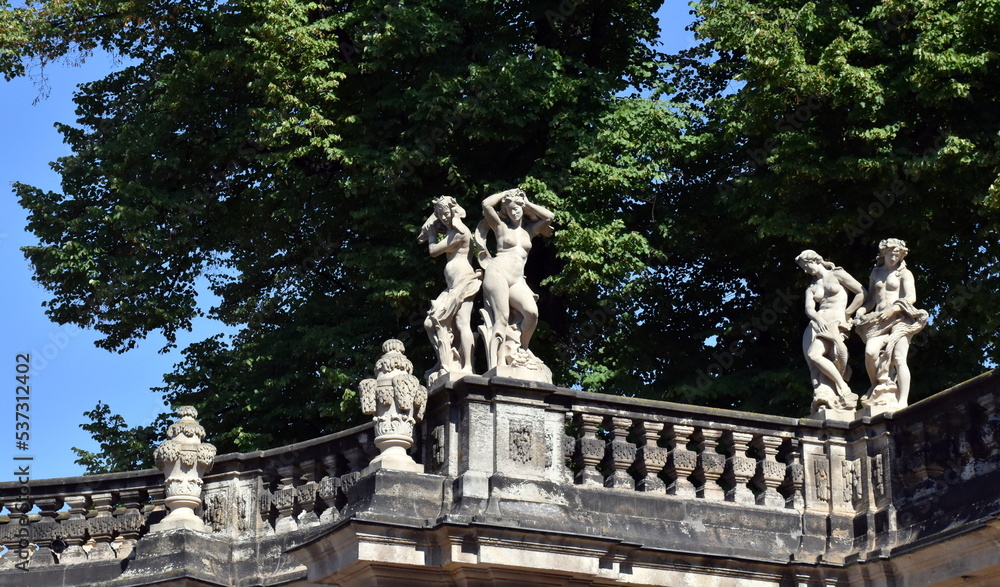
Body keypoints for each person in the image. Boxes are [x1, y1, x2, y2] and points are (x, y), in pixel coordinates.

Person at [476, 188, 554, 375]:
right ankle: (498, 363)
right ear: (506, 211)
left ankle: (523, 349)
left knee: (532, 313)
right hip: (498, 273)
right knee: (501, 318)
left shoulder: (530, 231)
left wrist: (525, 202)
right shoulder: (500, 227)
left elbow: (549, 216)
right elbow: (486, 204)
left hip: (518, 279)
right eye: (510, 209)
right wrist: (504, 195)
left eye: (518, 208)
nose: (515, 212)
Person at [853, 238, 928, 409]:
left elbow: (911, 298)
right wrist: (861, 311)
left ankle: (903, 401)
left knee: (899, 358)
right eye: (891, 254)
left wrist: (893, 309)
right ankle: (878, 384)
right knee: (871, 352)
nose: (894, 257)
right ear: (883, 254)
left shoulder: (904, 273)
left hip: (900, 319)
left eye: (898, 255)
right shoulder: (876, 273)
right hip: (879, 321)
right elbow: (871, 300)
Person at [418, 196, 482, 384]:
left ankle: (468, 366)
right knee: (431, 323)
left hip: (464, 281)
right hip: (451, 286)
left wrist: (431, 234)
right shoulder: (451, 229)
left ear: (454, 211)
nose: (444, 218)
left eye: (446, 213)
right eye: (440, 215)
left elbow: (433, 251)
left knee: (463, 323)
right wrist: (435, 217)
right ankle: (443, 361)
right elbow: (422, 234)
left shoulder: (460, 232)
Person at [795, 250, 865, 413]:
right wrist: (818, 319)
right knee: (813, 366)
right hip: (817, 323)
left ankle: (843, 388)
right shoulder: (811, 288)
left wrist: (847, 314)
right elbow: (809, 309)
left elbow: (861, 292)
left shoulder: (837, 274)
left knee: (816, 355)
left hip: (834, 322)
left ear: (814, 260)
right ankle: (824, 396)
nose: (806, 270)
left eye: (806, 265)